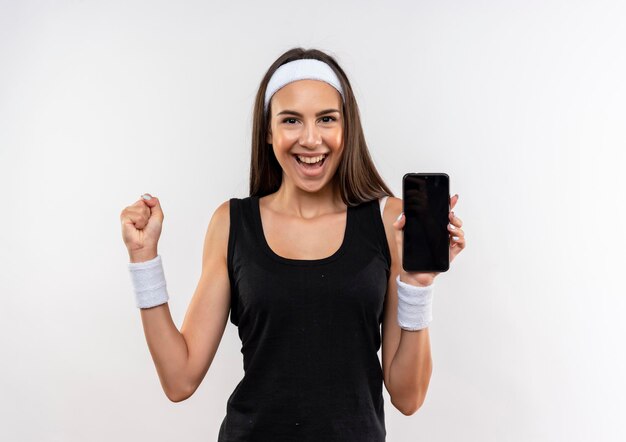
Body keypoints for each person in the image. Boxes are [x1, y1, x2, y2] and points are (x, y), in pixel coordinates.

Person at [119, 47, 466, 441]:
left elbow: (408, 397)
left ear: (346, 127)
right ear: (268, 131)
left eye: (326, 119)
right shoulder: (232, 223)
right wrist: (143, 259)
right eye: (291, 120)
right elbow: (179, 379)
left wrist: (419, 286)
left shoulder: (389, 221)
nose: (311, 138)